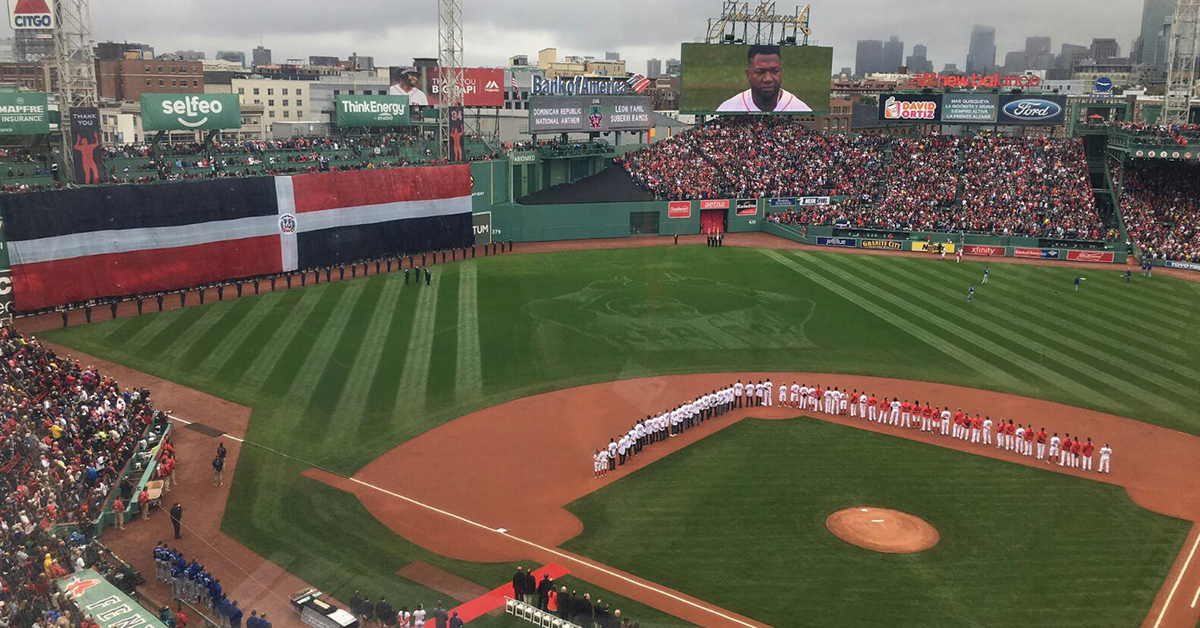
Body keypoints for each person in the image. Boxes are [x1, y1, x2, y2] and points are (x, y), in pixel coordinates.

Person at [716, 45, 812, 112]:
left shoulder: (801, 109)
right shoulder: (728, 108)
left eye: (774, 71)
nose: (768, 79)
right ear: (748, 75)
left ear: (781, 72)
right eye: (760, 72)